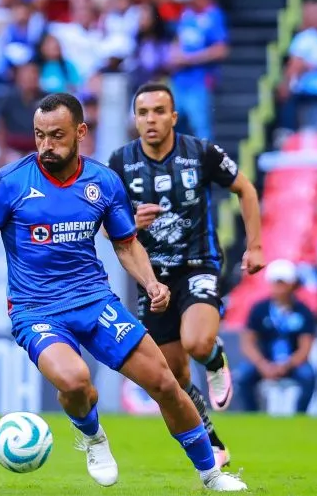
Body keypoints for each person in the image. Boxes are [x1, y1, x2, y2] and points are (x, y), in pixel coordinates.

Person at [0, 93, 245, 491]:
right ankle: (93, 436)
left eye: (56, 136)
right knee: (76, 381)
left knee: (166, 384)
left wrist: (150, 282)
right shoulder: (10, 182)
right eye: (39, 136)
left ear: (81, 132)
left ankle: (211, 475)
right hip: (37, 311)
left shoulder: (103, 181)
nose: (46, 146)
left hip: (95, 302)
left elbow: (125, 242)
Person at [108, 81, 264, 468]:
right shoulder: (118, 163)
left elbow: (245, 189)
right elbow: (106, 222)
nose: (151, 120)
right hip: (152, 279)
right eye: (143, 113)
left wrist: (255, 245)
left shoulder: (201, 152)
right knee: (173, 377)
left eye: (159, 111)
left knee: (196, 342)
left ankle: (213, 358)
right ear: (135, 119)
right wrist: (131, 220)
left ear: (173, 116)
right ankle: (212, 442)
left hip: (198, 264)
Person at [234, 260, 317, 414]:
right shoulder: (259, 309)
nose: (279, 288)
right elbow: (247, 342)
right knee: (243, 375)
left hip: (292, 364)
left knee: (308, 375)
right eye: (275, 283)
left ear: (292, 284)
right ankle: (251, 416)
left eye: (283, 283)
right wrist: (262, 364)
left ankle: (300, 416)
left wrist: (286, 365)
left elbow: (305, 347)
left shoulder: (303, 311)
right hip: (265, 361)